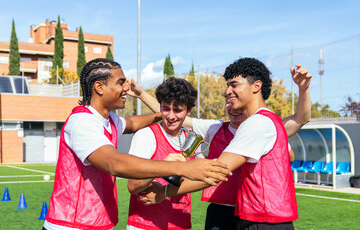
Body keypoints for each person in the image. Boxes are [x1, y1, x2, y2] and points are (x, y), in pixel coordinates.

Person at [43, 58, 230, 230]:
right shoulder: (82, 121)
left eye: (178, 110)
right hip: (70, 224)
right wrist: (174, 168)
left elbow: (132, 123)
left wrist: (163, 114)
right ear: (99, 87)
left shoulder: (109, 120)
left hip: (98, 223)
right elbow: (114, 163)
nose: (126, 87)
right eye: (120, 82)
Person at [130, 63, 311, 229]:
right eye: (228, 99)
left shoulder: (260, 125)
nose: (228, 94)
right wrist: (142, 95)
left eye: (234, 86)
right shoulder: (217, 128)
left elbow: (217, 171)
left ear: (256, 87)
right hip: (231, 212)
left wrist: (169, 180)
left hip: (261, 215)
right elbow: (175, 113)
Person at [127, 77, 200, 230]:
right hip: (144, 224)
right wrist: (162, 167)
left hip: (181, 223)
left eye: (178, 110)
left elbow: (204, 179)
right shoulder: (146, 136)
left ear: (189, 111)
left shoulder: (194, 140)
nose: (171, 116)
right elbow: (133, 186)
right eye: (166, 108)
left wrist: (165, 191)